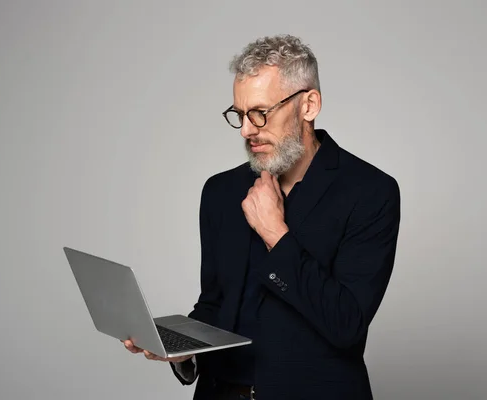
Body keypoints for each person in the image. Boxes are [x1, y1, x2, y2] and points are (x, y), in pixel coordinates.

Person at [122, 34, 401, 400]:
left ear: (309, 105)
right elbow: (215, 303)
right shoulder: (221, 191)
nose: (246, 130)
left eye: (260, 113)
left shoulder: (370, 192)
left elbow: (346, 324)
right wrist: (181, 346)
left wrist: (276, 233)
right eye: (239, 114)